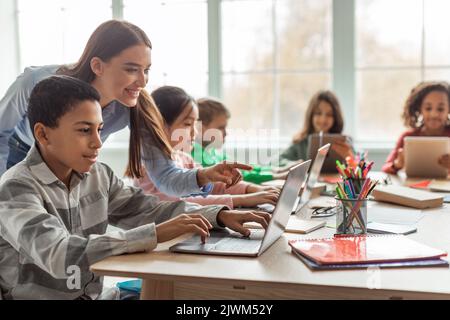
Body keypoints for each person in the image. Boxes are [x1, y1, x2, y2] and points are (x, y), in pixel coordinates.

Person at [0, 76, 270, 300]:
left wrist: (217, 215)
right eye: (84, 130)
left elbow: (149, 209)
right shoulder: (15, 188)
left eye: (99, 129)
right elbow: (60, 254)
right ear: (43, 134)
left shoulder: (99, 175)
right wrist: (155, 233)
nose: (98, 143)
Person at [0, 19, 249, 197]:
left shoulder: (134, 105)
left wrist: (205, 175)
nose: (142, 82)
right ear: (98, 66)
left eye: (146, 70)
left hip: (71, 163)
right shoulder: (35, 82)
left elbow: (164, 176)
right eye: (131, 69)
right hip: (19, 153)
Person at [133, 86, 280, 209]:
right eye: (187, 124)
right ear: (160, 125)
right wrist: (244, 199)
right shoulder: (149, 169)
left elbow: (215, 186)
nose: (194, 132)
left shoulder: (184, 158)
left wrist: (255, 190)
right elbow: (180, 205)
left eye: (194, 124)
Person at [192, 97, 295, 184]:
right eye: (220, 128)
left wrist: (277, 171)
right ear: (200, 127)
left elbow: (245, 169)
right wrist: (277, 176)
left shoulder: (212, 151)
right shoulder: (197, 157)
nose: (226, 133)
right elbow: (241, 178)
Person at [382, 81, 450, 174]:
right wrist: (397, 164)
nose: (434, 114)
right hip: (413, 187)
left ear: (448, 110)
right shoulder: (407, 137)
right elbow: (386, 167)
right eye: (428, 108)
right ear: (420, 109)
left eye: (440, 109)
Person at [278, 90, 352, 165]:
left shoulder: (343, 142)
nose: (323, 119)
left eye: (329, 115)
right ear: (311, 115)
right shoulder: (300, 142)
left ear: (336, 118)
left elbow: (360, 167)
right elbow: (277, 160)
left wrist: (351, 158)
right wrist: (294, 165)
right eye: (318, 113)